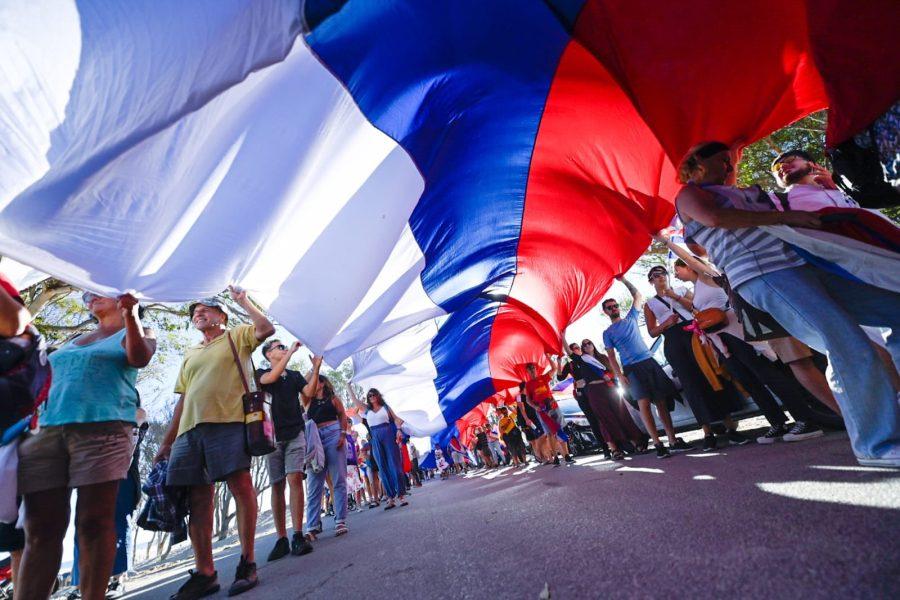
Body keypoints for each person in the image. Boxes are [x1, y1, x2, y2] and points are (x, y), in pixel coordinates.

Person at [674, 140, 900, 466]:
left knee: (893, 308)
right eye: (722, 160)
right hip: (764, 275)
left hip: (805, 266)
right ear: (697, 161)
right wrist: (784, 217)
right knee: (847, 344)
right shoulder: (690, 194)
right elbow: (714, 218)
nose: (729, 166)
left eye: (731, 160)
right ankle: (876, 444)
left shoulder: (746, 193)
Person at [17, 291, 156, 600]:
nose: (88, 296)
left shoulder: (137, 330)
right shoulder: (73, 339)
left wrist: (131, 314)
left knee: (93, 522)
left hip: (103, 429)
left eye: (96, 291)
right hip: (46, 433)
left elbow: (139, 357)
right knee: (39, 528)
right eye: (84, 294)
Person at [156, 289, 274, 599]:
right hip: (189, 431)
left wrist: (244, 302)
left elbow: (266, 329)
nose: (198, 313)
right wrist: (167, 441)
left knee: (240, 485)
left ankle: (248, 562)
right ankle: (205, 572)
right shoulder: (190, 353)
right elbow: (183, 398)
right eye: (194, 311)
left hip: (229, 421)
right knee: (197, 497)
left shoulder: (236, 336)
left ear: (221, 315)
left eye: (206, 308)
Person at [661, 240, 836, 444]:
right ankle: (777, 423)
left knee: (768, 375)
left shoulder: (709, 274)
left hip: (739, 333)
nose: (675, 274)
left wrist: (666, 241)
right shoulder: (697, 289)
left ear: (688, 265)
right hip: (721, 342)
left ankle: (805, 419)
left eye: (677, 268)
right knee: (750, 382)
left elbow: (694, 261)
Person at [643, 265, 749, 451]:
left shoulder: (681, 290)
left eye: (662, 273)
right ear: (651, 281)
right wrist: (666, 323)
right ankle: (707, 432)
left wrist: (675, 296)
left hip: (694, 333)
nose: (660, 277)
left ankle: (730, 427)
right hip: (674, 340)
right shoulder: (650, 304)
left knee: (712, 374)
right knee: (691, 384)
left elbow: (695, 307)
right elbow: (652, 332)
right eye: (655, 275)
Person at [602, 276, 689, 458]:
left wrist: (624, 279)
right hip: (632, 369)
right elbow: (611, 356)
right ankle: (658, 445)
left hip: (648, 362)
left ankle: (672, 440)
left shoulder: (631, 318)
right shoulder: (608, 333)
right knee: (644, 405)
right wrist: (619, 376)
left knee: (661, 402)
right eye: (609, 307)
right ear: (606, 312)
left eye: (615, 305)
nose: (614, 308)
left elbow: (638, 296)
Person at [256, 339, 315, 561]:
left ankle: (298, 534)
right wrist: (290, 352)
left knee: (295, 478)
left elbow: (308, 392)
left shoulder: (294, 375)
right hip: (271, 437)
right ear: (269, 354)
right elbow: (270, 379)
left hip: (295, 433)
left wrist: (316, 367)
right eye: (278, 347)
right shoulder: (262, 373)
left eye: (283, 347)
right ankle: (281, 538)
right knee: (277, 484)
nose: (283, 349)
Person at [557, 341, 648, 460]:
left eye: (588, 343)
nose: (586, 346)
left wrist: (609, 377)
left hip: (609, 389)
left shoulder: (602, 358)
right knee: (603, 419)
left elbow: (613, 371)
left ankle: (635, 443)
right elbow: (565, 363)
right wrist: (562, 337)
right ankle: (612, 449)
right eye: (583, 345)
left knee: (621, 414)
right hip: (592, 392)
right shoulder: (581, 360)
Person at [302, 372, 351, 536]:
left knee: (339, 479)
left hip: (333, 434)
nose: (311, 383)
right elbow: (304, 381)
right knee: (314, 483)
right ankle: (312, 527)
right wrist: (314, 367)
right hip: (315, 439)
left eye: (316, 381)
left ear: (322, 383)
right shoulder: (307, 400)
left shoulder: (333, 398)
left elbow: (342, 415)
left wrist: (343, 434)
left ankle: (340, 521)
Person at [348, 386, 408, 509]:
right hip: (375, 438)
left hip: (388, 435)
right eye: (369, 396)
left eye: (374, 394)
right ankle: (390, 498)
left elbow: (397, 419)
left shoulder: (385, 407)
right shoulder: (366, 410)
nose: (372, 397)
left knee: (395, 466)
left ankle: (401, 495)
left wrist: (398, 430)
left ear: (378, 395)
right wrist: (348, 387)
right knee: (382, 467)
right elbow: (355, 401)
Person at [523, 364, 575, 464]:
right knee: (550, 433)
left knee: (561, 429)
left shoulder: (543, 377)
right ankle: (555, 457)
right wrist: (536, 407)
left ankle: (567, 455)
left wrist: (548, 357)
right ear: (527, 372)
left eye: (533, 368)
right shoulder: (528, 385)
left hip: (553, 406)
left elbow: (554, 369)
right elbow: (528, 400)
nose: (532, 371)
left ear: (536, 369)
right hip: (542, 411)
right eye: (530, 369)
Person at [515, 382, 548, 462]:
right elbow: (521, 408)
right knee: (535, 438)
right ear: (524, 388)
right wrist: (526, 419)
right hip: (526, 421)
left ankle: (541, 456)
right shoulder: (519, 396)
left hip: (533, 418)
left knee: (536, 438)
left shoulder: (529, 395)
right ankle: (540, 456)